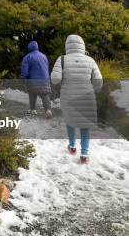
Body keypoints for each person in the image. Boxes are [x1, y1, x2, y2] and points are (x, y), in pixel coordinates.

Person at [50, 34, 102, 165]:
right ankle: (84, 154)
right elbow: (99, 81)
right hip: (87, 97)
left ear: (67, 46)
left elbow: (55, 79)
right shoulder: (90, 60)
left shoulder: (61, 59)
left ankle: (72, 147)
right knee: (85, 126)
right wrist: (94, 90)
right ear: (82, 45)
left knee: (70, 121)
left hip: (68, 96)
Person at [20, 40, 52, 118]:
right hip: (45, 79)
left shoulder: (27, 57)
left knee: (32, 93)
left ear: (29, 48)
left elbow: (25, 71)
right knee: (45, 94)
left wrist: (23, 78)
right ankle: (48, 110)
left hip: (33, 80)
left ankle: (33, 110)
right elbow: (46, 67)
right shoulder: (44, 56)